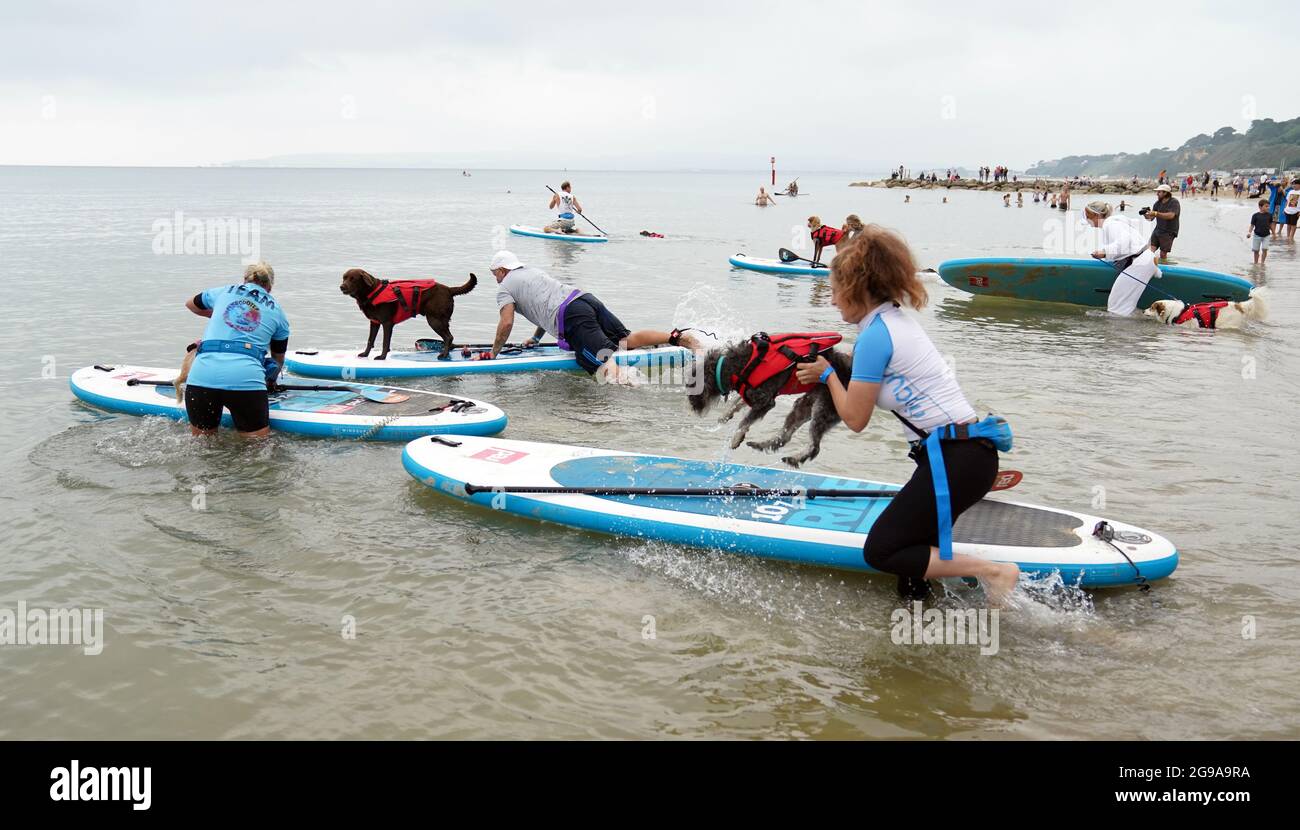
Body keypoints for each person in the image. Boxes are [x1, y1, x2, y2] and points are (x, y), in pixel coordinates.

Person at [790, 227, 1019, 604]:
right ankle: (923, 639)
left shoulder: (876, 336)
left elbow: (855, 419)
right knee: (911, 572)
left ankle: (994, 572)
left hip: (957, 460)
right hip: (962, 455)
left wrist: (827, 375)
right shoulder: (893, 322)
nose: (831, 301)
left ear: (857, 288)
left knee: (882, 550)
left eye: (833, 290)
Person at [488, 251, 698, 380]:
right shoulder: (532, 271)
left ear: (503, 270)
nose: (495, 278)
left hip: (572, 315)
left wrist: (493, 354)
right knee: (624, 340)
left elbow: (506, 323)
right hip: (584, 298)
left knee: (604, 359)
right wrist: (535, 339)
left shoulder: (505, 287)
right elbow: (547, 303)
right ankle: (677, 338)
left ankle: (631, 396)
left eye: (494, 273)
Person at [181, 262, 290, 438]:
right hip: (245, 378)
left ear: (245, 279)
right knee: (257, 451)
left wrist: (218, 313)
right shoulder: (278, 312)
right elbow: (278, 359)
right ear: (269, 286)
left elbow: (191, 304)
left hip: (201, 375)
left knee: (202, 445)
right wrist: (271, 382)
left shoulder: (224, 291)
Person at [1083, 201, 1160, 316]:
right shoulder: (1117, 221)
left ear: (1096, 215)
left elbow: (1125, 242)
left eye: (1088, 217)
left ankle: (1122, 332)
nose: (1087, 221)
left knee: (1117, 307)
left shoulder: (1110, 224)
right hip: (1146, 260)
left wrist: (1104, 253)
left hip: (1140, 263)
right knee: (1121, 305)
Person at [1142, 183, 1181, 263]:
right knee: (1149, 251)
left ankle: (1164, 269)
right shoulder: (1157, 203)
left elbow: (1171, 215)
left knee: (1163, 254)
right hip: (1158, 230)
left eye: (1159, 192)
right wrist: (1145, 214)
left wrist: (1156, 213)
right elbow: (1151, 219)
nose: (1157, 194)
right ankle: (1149, 266)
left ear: (1165, 193)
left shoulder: (1174, 202)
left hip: (1169, 231)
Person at [1249, 199, 1273, 264]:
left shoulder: (1269, 215)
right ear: (1260, 207)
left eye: (1268, 206)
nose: (1268, 207)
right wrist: (1249, 232)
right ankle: (1255, 263)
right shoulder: (1255, 215)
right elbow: (1252, 225)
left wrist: (1274, 233)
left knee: (1265, 249)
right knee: (1256, 250)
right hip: (1257, 235)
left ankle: (1262, 263)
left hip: (1266, 235)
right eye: (1266, 206)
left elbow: (1271, 225)